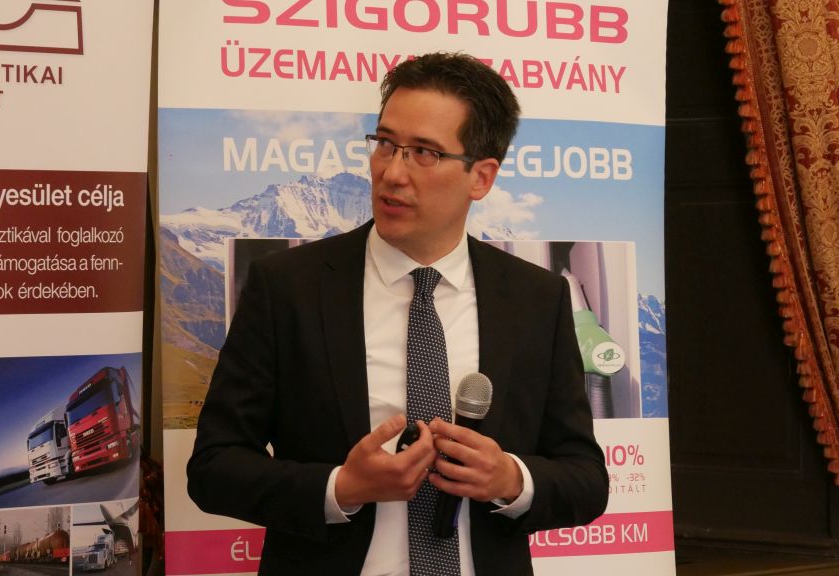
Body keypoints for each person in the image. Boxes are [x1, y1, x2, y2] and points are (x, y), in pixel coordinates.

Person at [187, 52, 608, 575]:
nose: (391, 172)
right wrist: (341, 487)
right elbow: (213, 467)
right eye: (385, 144)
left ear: (481, 177)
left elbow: (586, 479)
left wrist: (510, 480)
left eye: (424, 153)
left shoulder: (536, 298)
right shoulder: (287, 288)